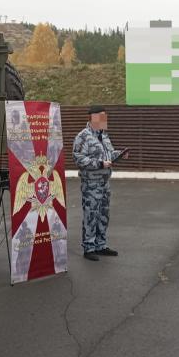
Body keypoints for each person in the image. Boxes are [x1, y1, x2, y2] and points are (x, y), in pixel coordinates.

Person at [73, 105, 127, 261]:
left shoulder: (104, 135)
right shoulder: (83, 136)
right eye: (101, 117)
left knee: (103, 214)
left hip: (104, 183)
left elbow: (109, 154)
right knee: (91, 215)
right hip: (91, 184)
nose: (104, 120)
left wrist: (120, 154)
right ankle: (89, 248)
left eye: (105, 117)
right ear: (93, 118)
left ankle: (101, 245)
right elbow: (78, 158)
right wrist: (99, 164)